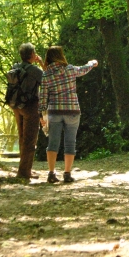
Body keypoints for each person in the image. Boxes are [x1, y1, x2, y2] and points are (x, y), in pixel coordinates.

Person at [39, 46, 97, 183]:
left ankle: (51, 173)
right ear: (61, 56)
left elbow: (42, 97)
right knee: (70, 143)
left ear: (48, 57)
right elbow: (83, 69)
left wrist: (41, 116)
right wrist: (92, 63)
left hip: (54, 112)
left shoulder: (46, 74)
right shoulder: (70, 69)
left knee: (53, 143)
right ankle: (67, 173)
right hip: (72, 111)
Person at [12, 43, 44, 181]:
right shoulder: (35, 70)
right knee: (30, 140)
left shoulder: (15, 67)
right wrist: (42, 63)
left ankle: (25, 169)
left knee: (22, 137)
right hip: (30, 106)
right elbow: (49, 81)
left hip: (16, 105)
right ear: (32, 55)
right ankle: (24, 173)